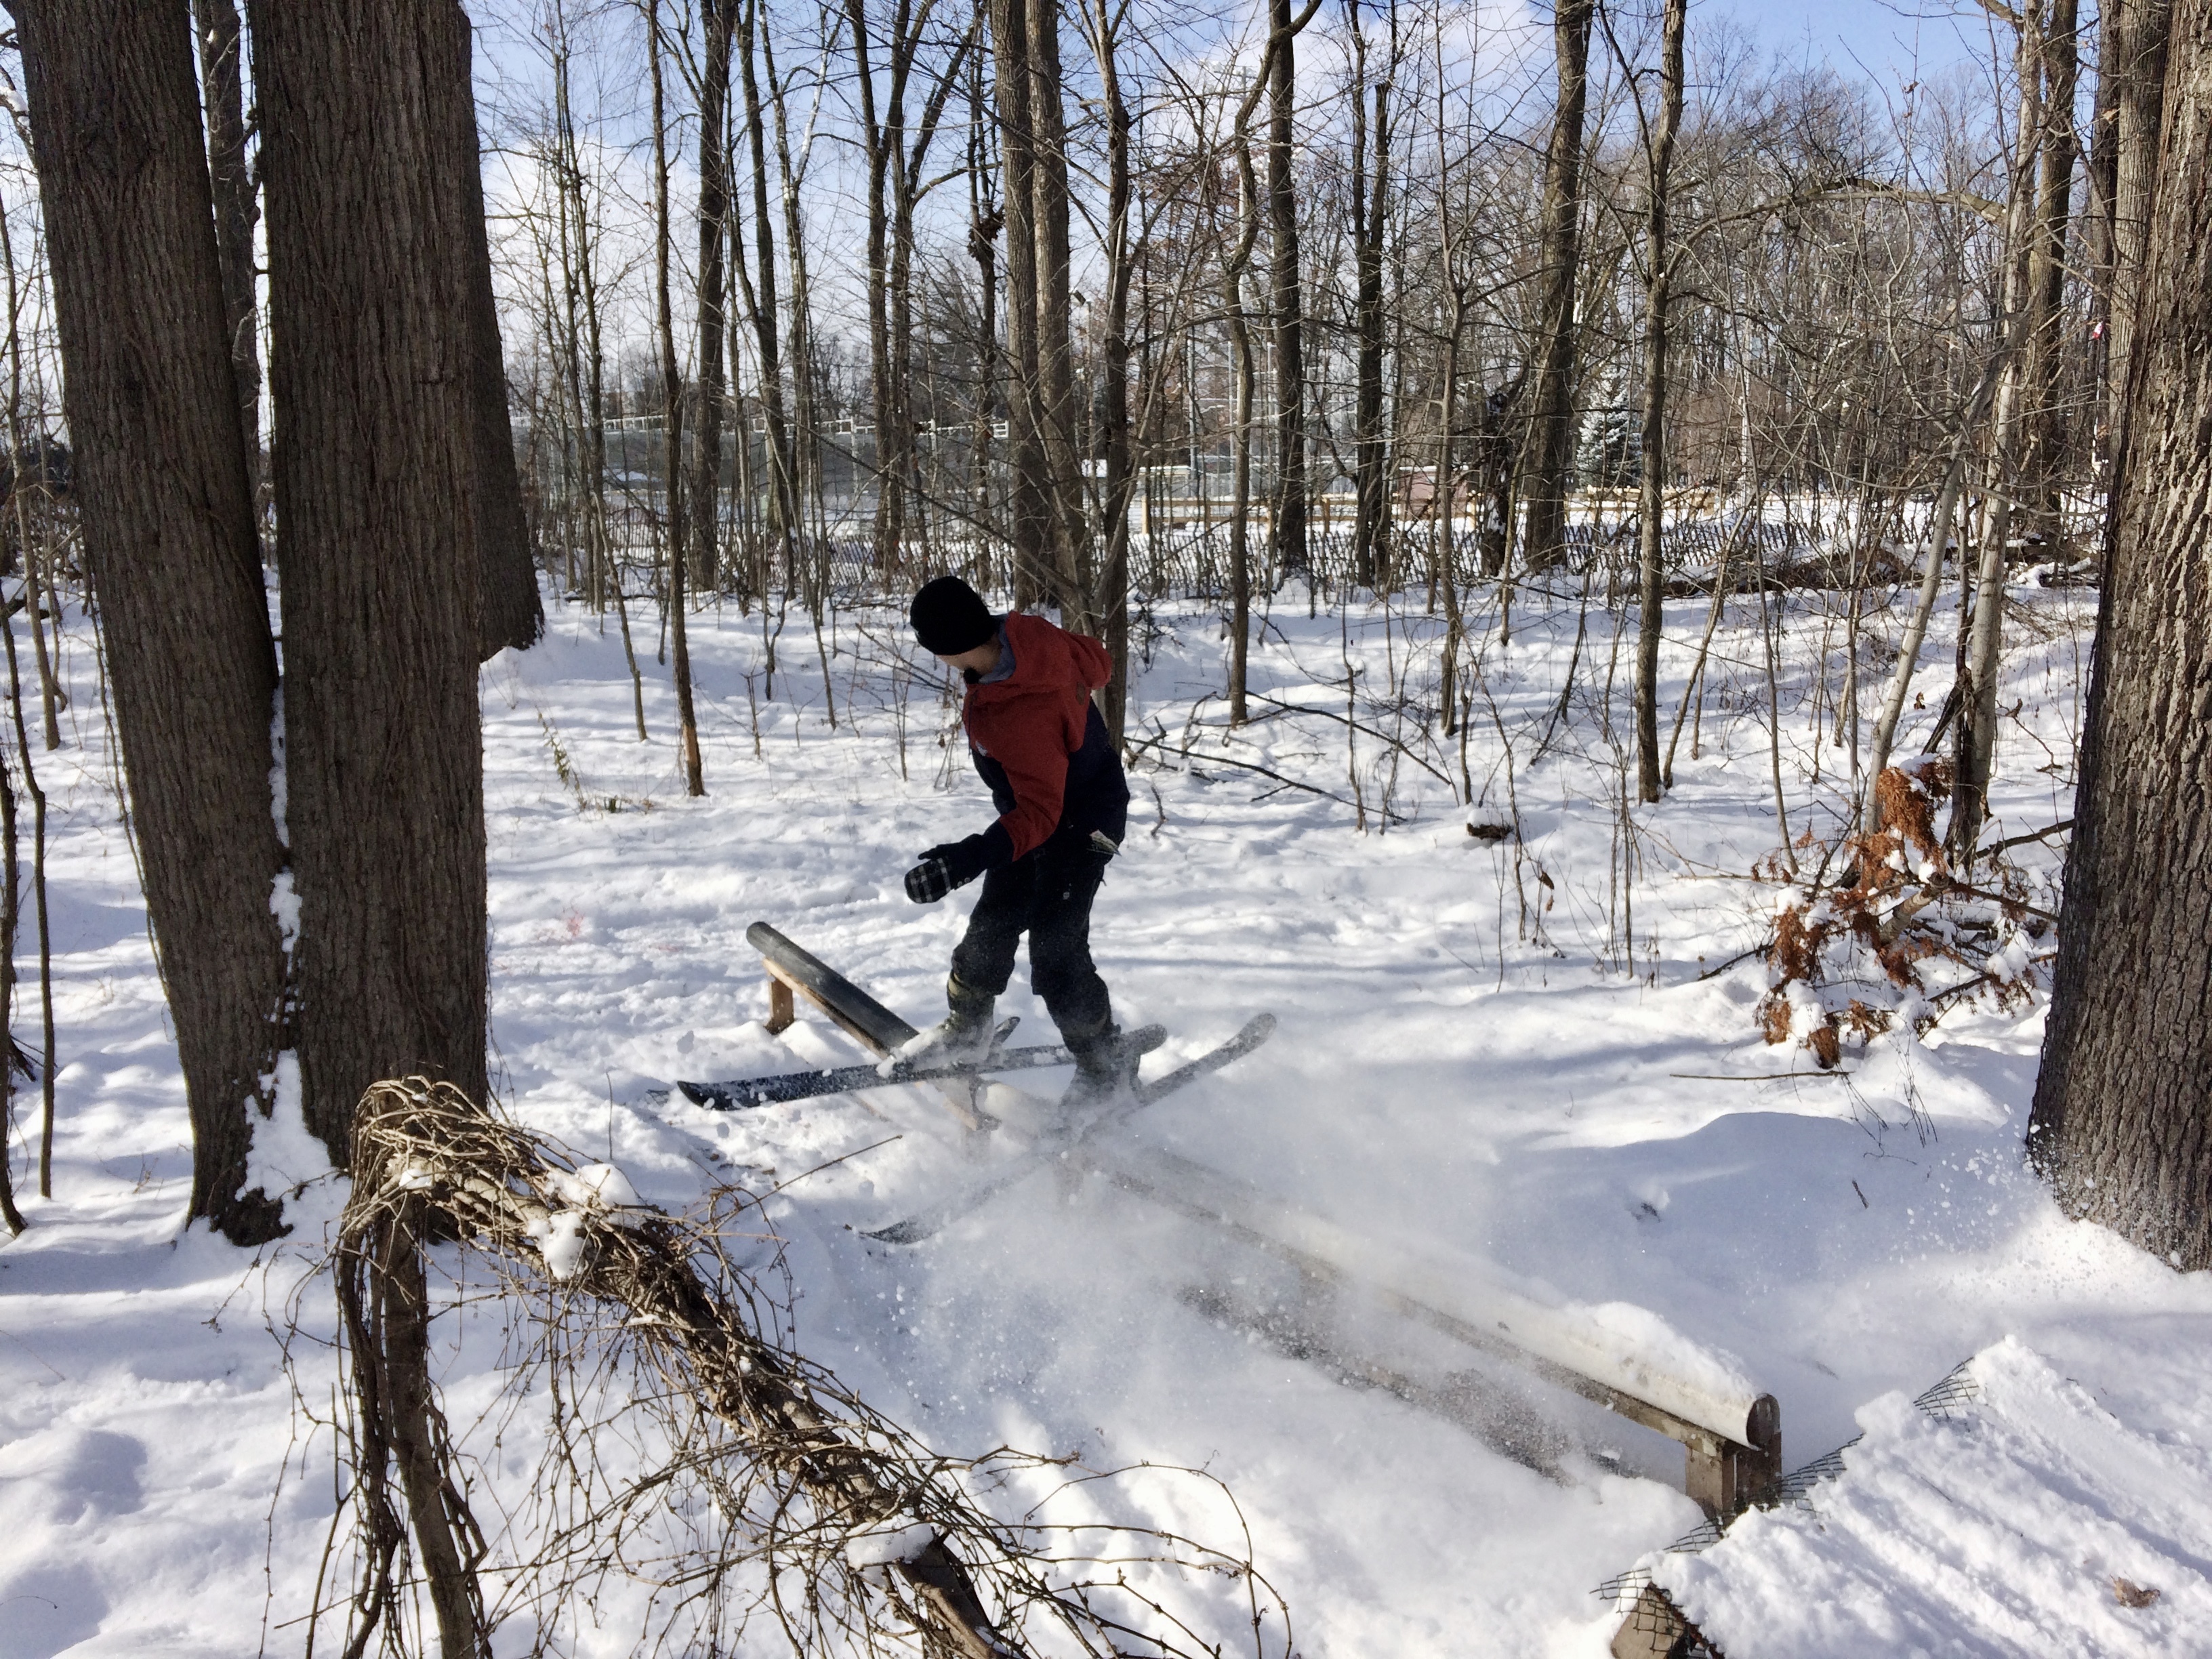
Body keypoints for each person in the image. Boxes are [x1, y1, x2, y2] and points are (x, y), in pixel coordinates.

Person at [902, 575, 1136, 1102]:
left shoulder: (1020, 709)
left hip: (1084, 826)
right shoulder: (1025, 637)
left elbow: (1041, 813)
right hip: (1038, 811)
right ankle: (969, 1028)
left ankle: (1107, 1065)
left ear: (948, 647)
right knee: (995, 921)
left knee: (1057, 949)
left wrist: (971, 856)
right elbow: (1095, 657)